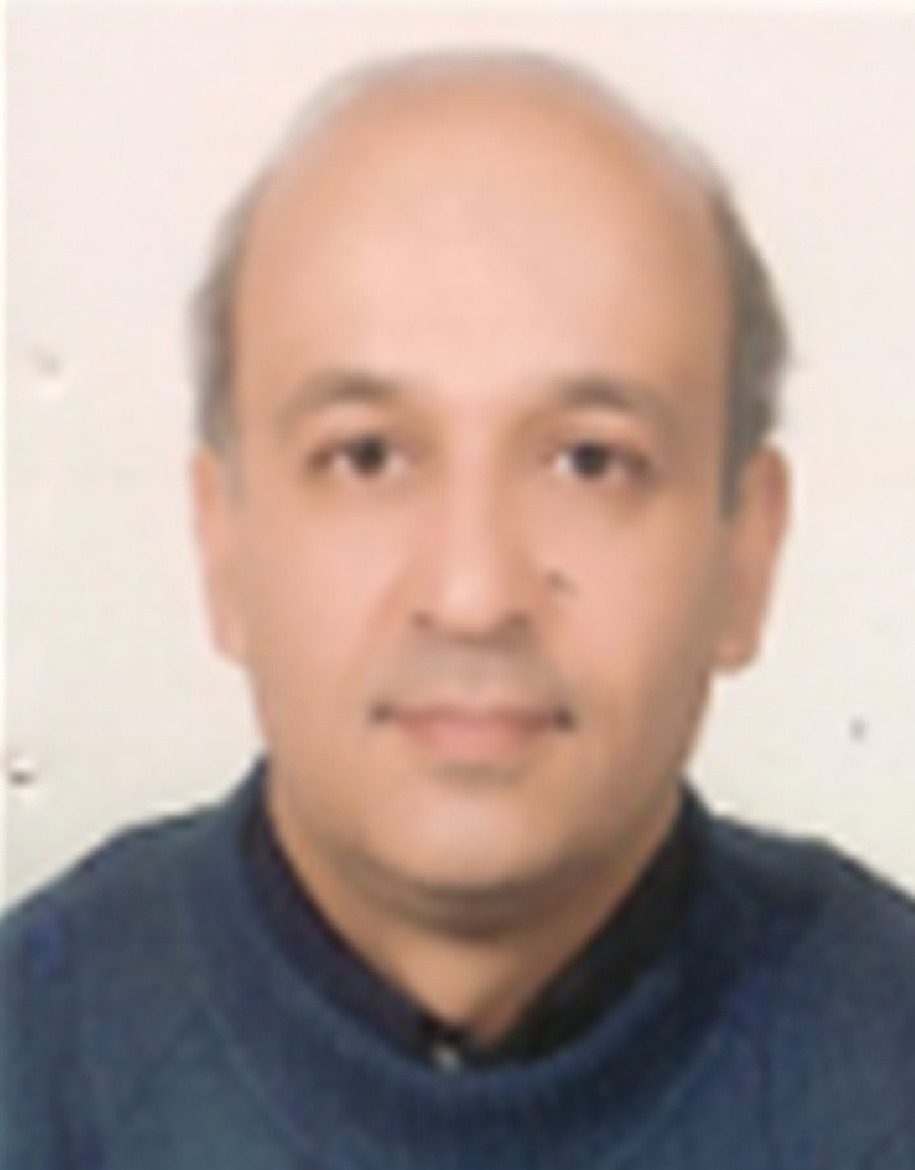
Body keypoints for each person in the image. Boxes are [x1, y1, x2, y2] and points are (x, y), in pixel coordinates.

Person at [2, 48, 914, 1170]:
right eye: (367, 456)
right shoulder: (36, 1067)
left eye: (589, 462)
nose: (473, 595)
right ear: (223, 540)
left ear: (747, 552)